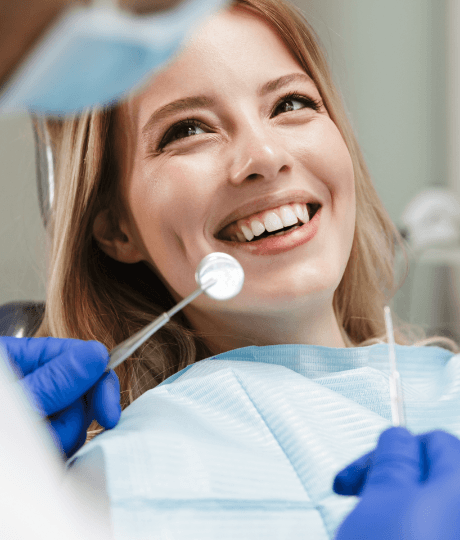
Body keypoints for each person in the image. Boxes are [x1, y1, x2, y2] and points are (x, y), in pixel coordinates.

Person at [27, 0, 460, 538]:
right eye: (187, 129)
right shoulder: (101, 487)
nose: (264, 154)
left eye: (291, 103)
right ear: (117, 230)